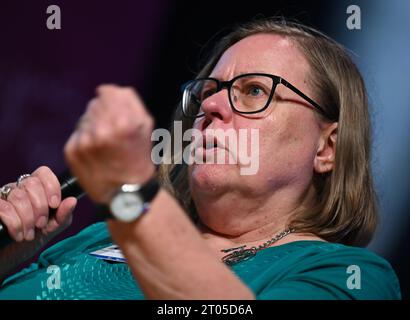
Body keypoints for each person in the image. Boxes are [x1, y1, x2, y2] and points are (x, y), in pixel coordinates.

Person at [0, 18, 401, 299]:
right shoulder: (102, 236)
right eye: (209, 90)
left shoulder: (348, 276)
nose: (210, 104)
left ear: (327, 148)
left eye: (255, 91)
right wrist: (7, 252)